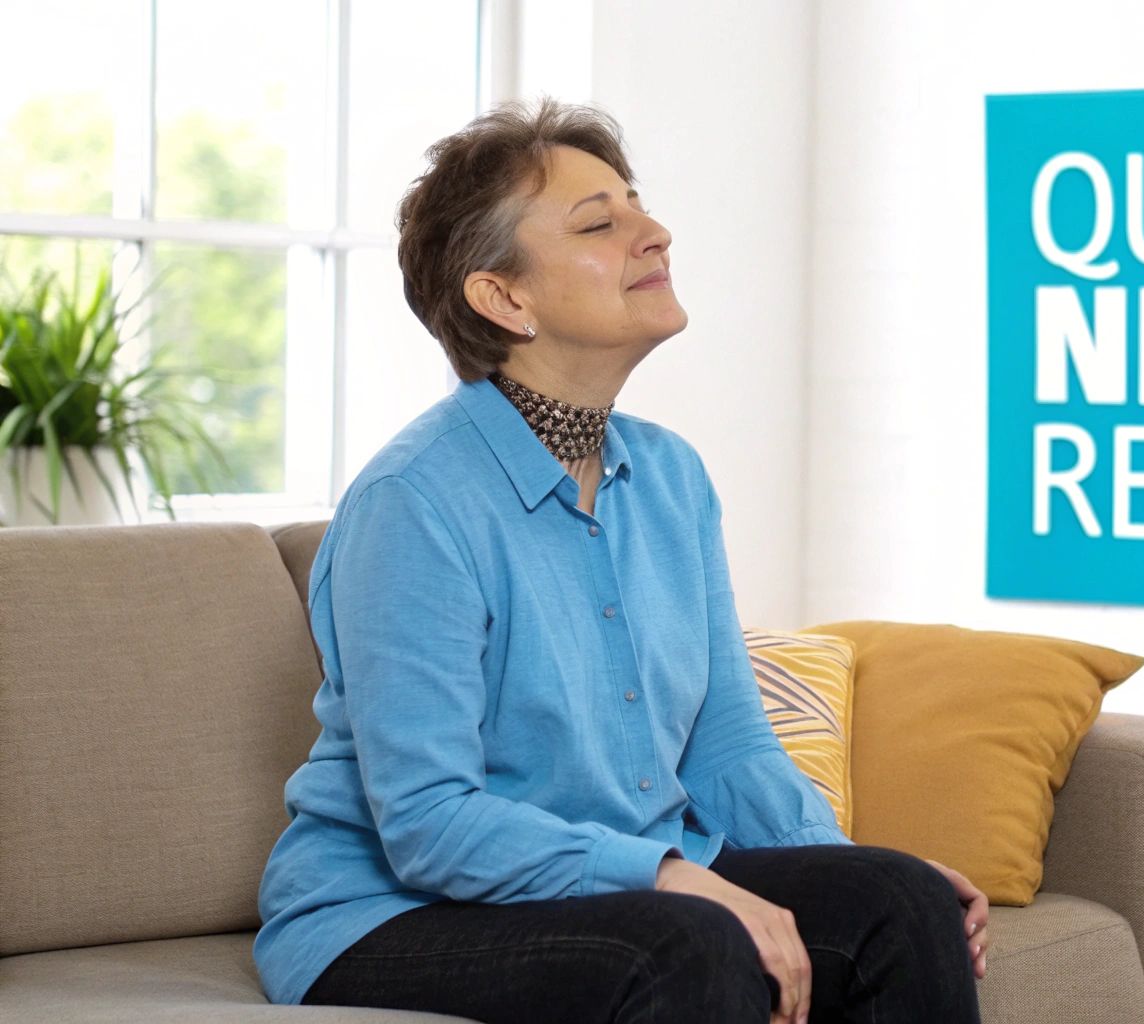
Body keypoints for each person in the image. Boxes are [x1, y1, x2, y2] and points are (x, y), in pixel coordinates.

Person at [252, 97, 989, 1024]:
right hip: (390, 916)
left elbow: (727, 746)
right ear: (503, 296)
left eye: (636, 206)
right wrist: (671, 874)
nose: (656, 233)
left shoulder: (672, 477)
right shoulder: (416, 502)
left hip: (624, 888)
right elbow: (430, 823)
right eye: (601, 223)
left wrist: (844, 864)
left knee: (901, 903)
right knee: (696, 945)